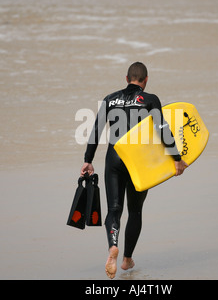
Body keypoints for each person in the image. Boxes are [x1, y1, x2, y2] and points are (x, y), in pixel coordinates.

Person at [80, 62, 188, 279]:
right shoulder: (150, 99)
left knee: (114, 210)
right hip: (139, 161)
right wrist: (176, 158)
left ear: (126, 78)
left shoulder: (110, 99)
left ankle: (113, 246)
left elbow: (96, 130)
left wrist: (88, 160)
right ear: (146, 80)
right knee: (135, 211)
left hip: (115, 158)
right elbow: (162, 129)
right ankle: (127, 258)